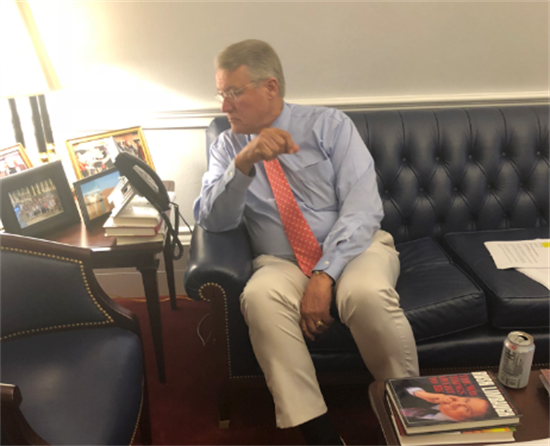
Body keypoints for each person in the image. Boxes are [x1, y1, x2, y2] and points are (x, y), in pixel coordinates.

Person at [194, 39, 419, 446]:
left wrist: (324, 274)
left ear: (270, 87)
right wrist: (243, 163)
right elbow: (213, 220)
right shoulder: (227, 146)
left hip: (355, 250)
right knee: (260, 298)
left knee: (367, 295)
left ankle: (412, 416)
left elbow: (363, 207)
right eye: (220, 94)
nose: (225, 106)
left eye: (234, 92)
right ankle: (320, 434)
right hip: (280, 262)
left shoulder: (329, 125)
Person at [400, 387, 490, 422]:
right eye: (466, 400)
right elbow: (399, 385)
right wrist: (421, 394)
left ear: (467, 421)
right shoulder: (437, 389)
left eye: (467, 409)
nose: (459, 403)